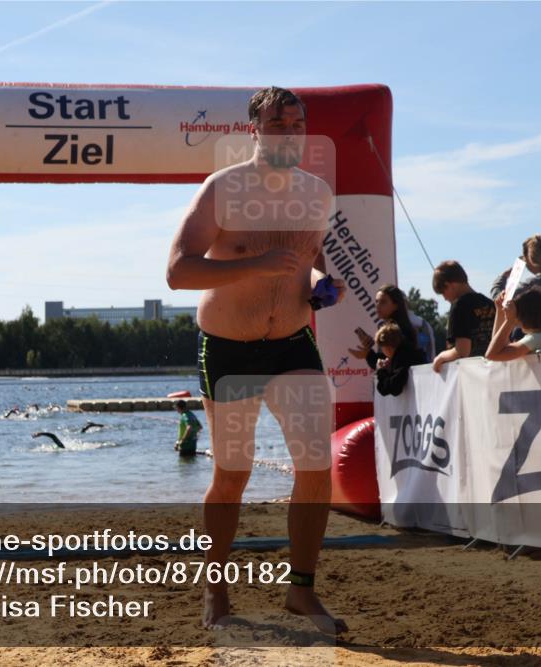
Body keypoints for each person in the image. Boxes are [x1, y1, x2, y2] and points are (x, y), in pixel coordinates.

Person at [166, 86, 348, 634]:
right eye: (277, 124)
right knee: (233, 474)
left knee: (316, 466)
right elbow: (178, 272)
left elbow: (308, 261)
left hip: (292, 340)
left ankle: (301, 590)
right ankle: (216, 591)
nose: (289, 133)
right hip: (228, 345)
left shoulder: (317, 193)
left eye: (297, 124)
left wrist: (321, 285)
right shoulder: (223, 189)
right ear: (254, 131)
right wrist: (255, 265)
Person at [431, 260, 496, 373]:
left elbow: (462, 351)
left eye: (443, 292)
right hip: (494, 370)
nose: (445, 298)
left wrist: (440, 357)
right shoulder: (491, 304)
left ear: (449, 285)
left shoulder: (459, 306)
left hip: (471, 374)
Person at [349, 284, 434, 367]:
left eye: (383, 302)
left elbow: (392, 368)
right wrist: (368, 353)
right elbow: (388, 363)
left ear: (396, 305)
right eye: (377, 301)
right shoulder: (399, 327)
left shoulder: (397, 331)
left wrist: (368, 355)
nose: (377, 305)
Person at [485, 286, 541, 361]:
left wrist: (509, 321)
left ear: (527, 315)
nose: (516, 316)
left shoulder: (536, 339)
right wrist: (500, 311)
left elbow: (492, 355)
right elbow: (499, 346)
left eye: (517, 312)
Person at [374, 323, 426, 396]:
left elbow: (392, 389)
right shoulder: (407, 350)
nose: (382, 351)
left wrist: (381, 370)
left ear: (387, 347)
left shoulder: (402, 357)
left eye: (381, 348)